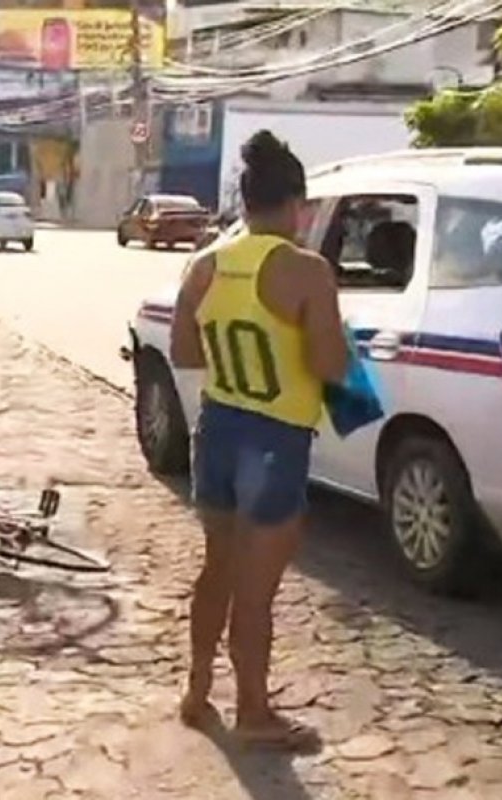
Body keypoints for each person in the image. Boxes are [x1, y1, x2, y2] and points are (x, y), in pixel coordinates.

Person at [170, 130, 348, 747]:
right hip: (275, 437)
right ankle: (253, 712)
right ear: (297, 205)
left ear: (244, 204)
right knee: (256, 589)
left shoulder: (205, 266)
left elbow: (184, 352)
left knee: (217, 568)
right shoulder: (306, 270)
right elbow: (329, 365)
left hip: (217, 426)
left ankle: (197, 690)